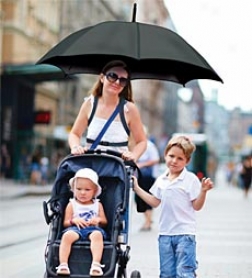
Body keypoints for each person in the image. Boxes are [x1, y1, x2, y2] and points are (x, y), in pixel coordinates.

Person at [132, 135, 214, 278]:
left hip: (185, 235)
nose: (174, 161)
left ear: (187, 161)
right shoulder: (161, 179)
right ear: (165, 155)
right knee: (166, 274)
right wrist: (137, 188)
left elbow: (197, 206)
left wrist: (203, 192)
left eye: (180, 158)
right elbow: (155, 201)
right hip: (165, 235)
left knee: (184, 273)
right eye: (171, 156)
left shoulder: (190, 179)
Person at [68, 60, 146, 162]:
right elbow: (74, 133)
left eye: (122, 80)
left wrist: (134, 155)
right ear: (102, 78)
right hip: (91, 166)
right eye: (112, 76)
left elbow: (142, 141)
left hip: (117, 167)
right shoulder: (90, 104)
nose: (117, 82)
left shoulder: (129, 109)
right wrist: (75, 147)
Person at [56, 168, 108, 276]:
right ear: (73, 189)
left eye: (87, 190)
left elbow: (104, 221)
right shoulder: (72, 204)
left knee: (97, 235)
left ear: (94, 191)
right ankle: (63, 264)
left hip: (93, 229)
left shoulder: (97, 205)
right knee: (67, 236)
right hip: (76, 229)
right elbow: (65, 222)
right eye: (78, 189)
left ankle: (96, 264)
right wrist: (73, 220)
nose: (82, 192)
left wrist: (98, 220)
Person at [135, 126, 160, 231]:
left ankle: (148, 221)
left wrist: (142, 164)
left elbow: (156, 159)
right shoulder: (135, 145)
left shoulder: (149, 145)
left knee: (147, 198)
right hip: (139, 175)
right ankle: (148, 219)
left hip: (147, 176)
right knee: (139, 199)